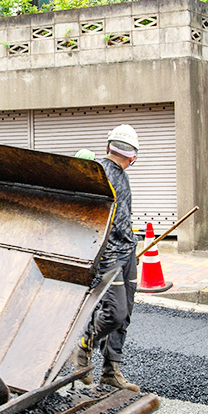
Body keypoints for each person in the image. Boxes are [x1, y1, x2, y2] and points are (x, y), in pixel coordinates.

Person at [72, 124, 140, 391]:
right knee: (115, 312)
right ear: (132, 155)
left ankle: (111, 371)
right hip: (108, 254)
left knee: (126, 314)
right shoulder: (98, 173)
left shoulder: (120, 174)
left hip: (127, 250)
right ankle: (84, 343)